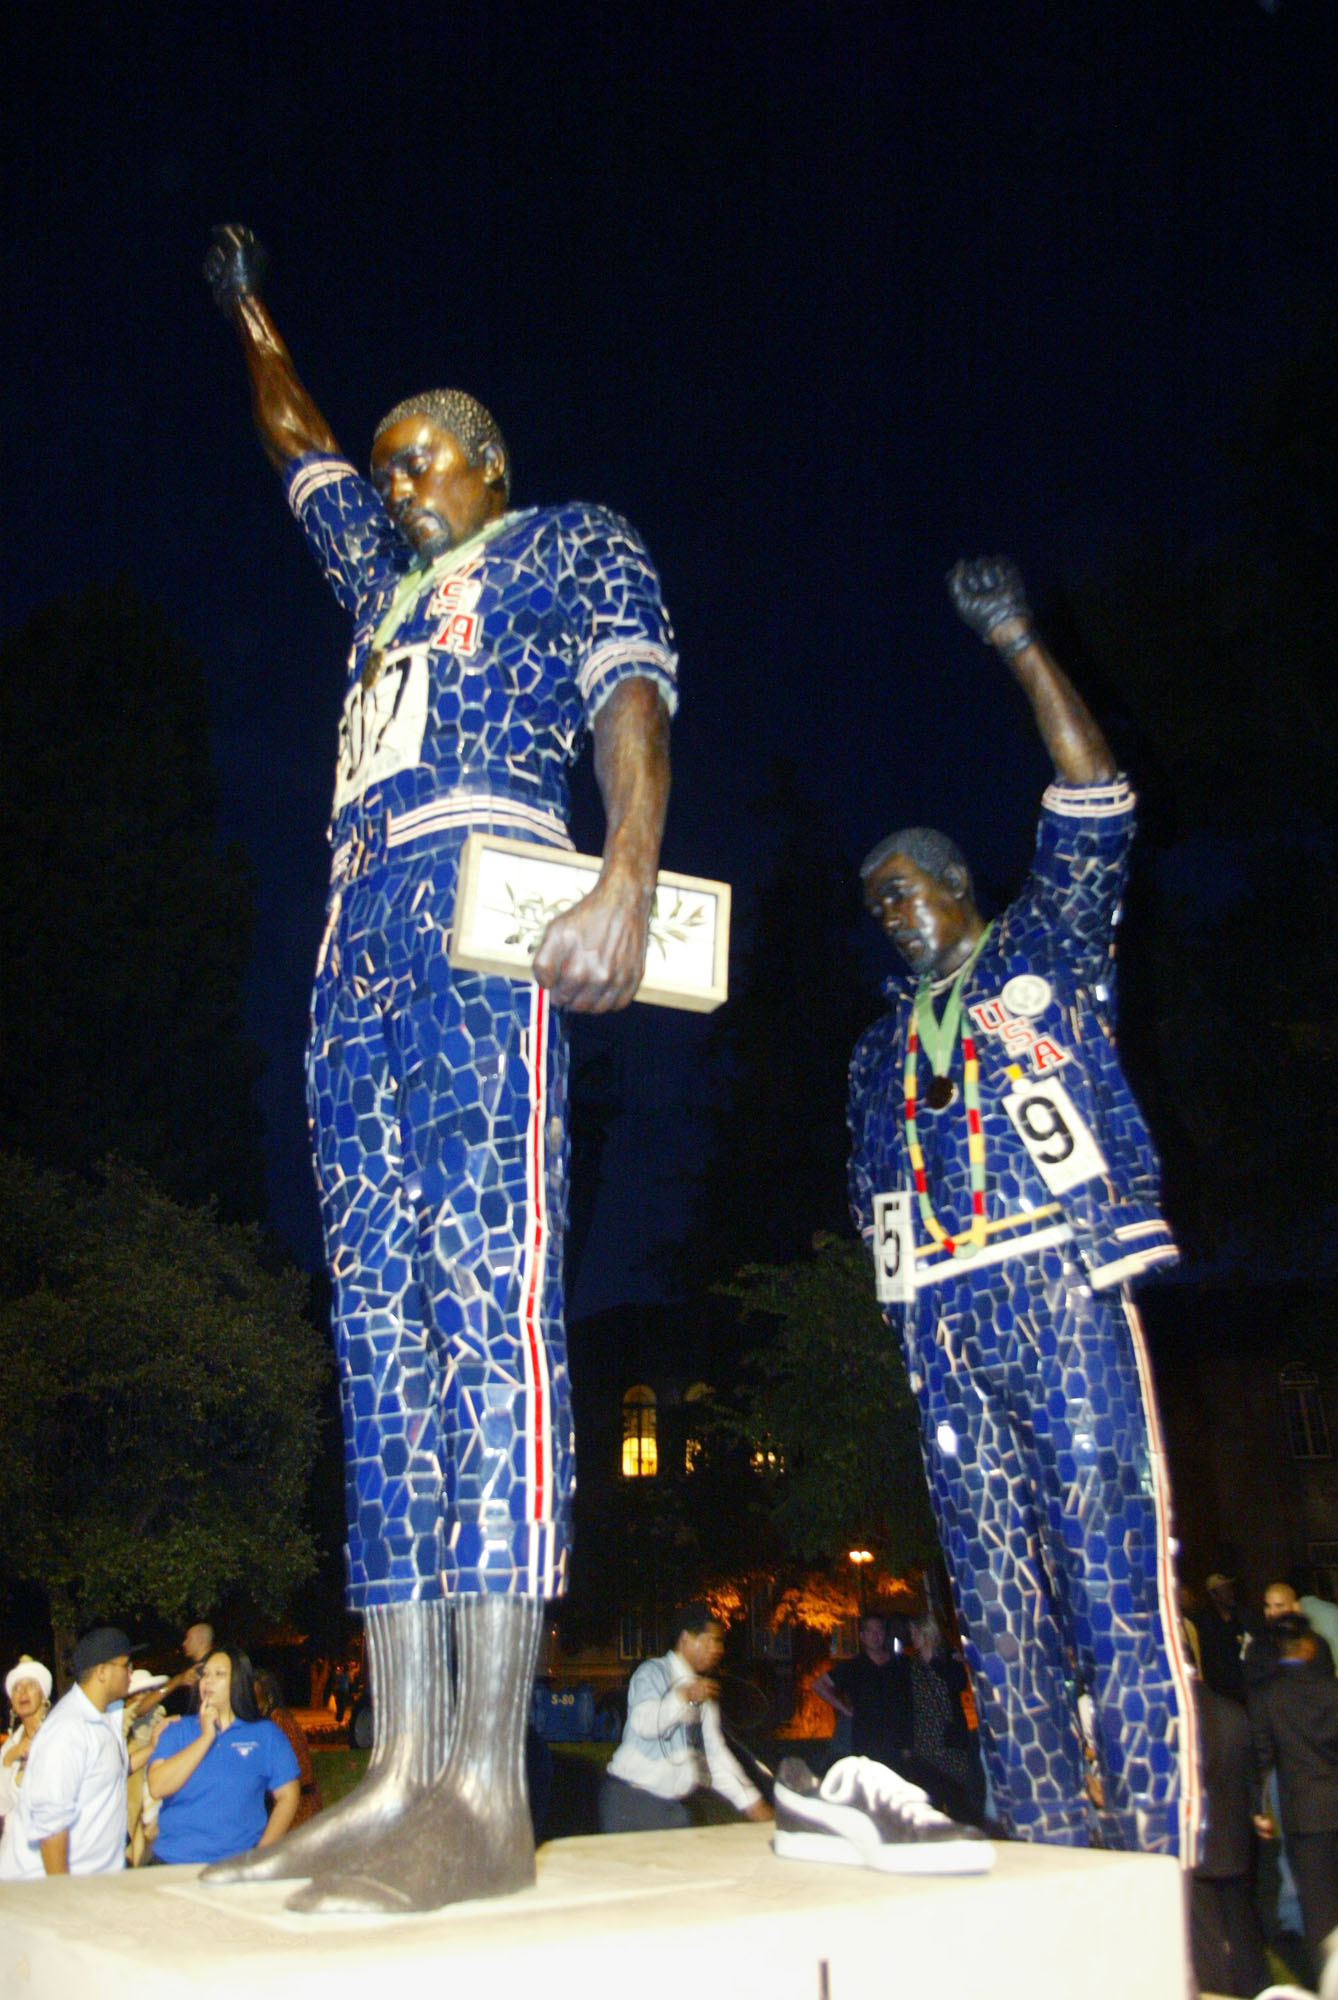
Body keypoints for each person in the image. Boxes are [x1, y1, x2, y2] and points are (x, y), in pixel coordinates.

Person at [202, 224, 674, 1914]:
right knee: (382, 1328)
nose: (398, 485)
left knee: (487, 1295)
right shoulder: (376, 591)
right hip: (351, 942)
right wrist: (250, 314)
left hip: (492, 916)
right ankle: (398, 1762)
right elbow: (296, 443)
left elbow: (630, 699)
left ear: (489, 465)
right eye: (390, 465)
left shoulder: (568, 545)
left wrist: (625, 866)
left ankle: (481, 1781)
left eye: (428, 461)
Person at [848, 557, 1196, 1856]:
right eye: (872, 899)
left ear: (960, 883)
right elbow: (874, 1195)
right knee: (992, 1587)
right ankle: (1044, 1821)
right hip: (944, 1316)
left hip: (1056, 1279)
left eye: (906, 886)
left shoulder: (1045, 946)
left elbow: (1093, 803)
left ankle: (1154, 1826)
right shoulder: (876, 1053)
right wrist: (908, 1332)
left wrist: (1014, 641)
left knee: (1105, 1549)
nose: (889, 912)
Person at [599, 1605, 772, 1833]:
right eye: (710, 1640)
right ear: (685, 1639)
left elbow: (713, 1756)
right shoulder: (652, 1673)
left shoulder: (702, 1693)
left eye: (719, 1642)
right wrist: (684, 1696)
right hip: (631, 1802)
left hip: (672, 1809)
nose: (717, 1649)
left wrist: (752, 1802)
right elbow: (644, 1723)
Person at [147, 1646, 300, 1866]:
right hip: (173, 1861)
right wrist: (206, 1737)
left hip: (235, 1864)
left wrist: (261, 1855)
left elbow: (288, 1796)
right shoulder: (177, 1730)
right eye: (205, 1675)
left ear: (238, 1681)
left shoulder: (265, 1734)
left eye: (219, 1674)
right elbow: (158, 1786)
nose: (208, 1681)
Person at [0, 1627, 132, 1878]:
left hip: (94, 1885)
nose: (131, 1672)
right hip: (44, 1893)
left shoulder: (105, 1717)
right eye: (125, 1664)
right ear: (102, 1672)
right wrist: (62, 1898)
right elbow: (51, 1827)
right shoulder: (67, 1731)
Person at [1250, 1612, 1338, 1984]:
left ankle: (1328, 1981)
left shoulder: (1268, 1696)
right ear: (1307, 1645)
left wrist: (1260, 1809)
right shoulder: (1332, 1690)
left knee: (1317, 1908)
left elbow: (1262, 1757)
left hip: (1303, 1813)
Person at [1189, 1673, 1271, 1998]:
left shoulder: (1178, 1719)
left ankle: (1218, 1991)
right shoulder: (1234, 1712)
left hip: (1198, 1843)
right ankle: (1258, 1987)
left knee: (1206, 1936)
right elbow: (1253, 1773)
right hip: (1235, 1838)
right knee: (1242, 1926)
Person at [903, 1613, 984, 1825]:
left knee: (958, 1796)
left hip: (949, 1740)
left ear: (925, 1632)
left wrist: (947, 1660)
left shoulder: (948, 1659)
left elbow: (957, 1684)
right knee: (930, 1798)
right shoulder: (912, 1665)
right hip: (924, 1742)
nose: (911, 1636)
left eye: (914, 1631)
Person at [813, 1617, 913, 1777]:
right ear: (862, 1636)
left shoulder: (900, 1664)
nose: (876, 1635)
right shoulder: (854, 1666)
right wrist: (844, 1709)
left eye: (879, 1631)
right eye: (870, 1631)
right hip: (866, 1740)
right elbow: (819, 1685)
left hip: (896, 1740)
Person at [254, 1668, 323, 1826]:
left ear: (269, 1699)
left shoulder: (278, 1723)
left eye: (256, 1701)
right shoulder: (275, 1720)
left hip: (299, 1806)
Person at [0, 1657, 53, 1826]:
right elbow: (2, 1806)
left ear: (43, 1695)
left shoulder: (56, 1734)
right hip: (13, 1846)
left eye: (30, 1685)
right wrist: (9, 1759)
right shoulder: (10, 1745)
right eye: (16, 1688)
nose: (22, 1693)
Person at [158, 1620, 214, 1716]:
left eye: (188, 1639)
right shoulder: (190, 1668)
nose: (184, 1643)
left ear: (200, 1641)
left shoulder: (208, 1669)